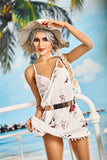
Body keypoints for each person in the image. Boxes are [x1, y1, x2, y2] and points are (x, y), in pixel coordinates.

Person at [17, 19, 93, 160]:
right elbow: (40, 103)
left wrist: (65, 25)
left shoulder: (63, 60)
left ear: (52, 41)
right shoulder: (30, 71)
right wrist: (34, 118)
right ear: (31, 43)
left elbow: (88, 44)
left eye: (45, 39)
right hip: (49, 120)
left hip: (73, 115)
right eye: (36, 40)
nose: (41, 44)